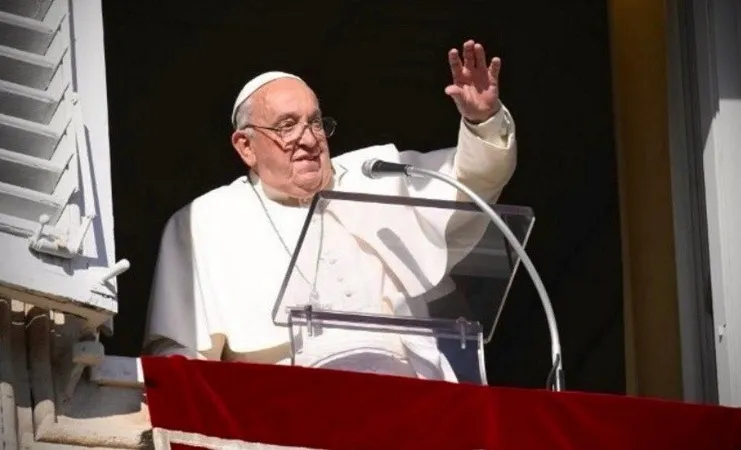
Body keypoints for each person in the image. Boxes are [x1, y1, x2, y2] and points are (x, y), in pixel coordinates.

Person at [143, 40, 517, 382]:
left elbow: (469, 183)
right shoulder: (206, 220)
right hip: (284, 406)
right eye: (287, 126)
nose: (308, 140)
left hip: (408, 395)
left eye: (315, 122)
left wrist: (482, 122)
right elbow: (181, 354)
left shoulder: (373, 176)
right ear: (246, 147)